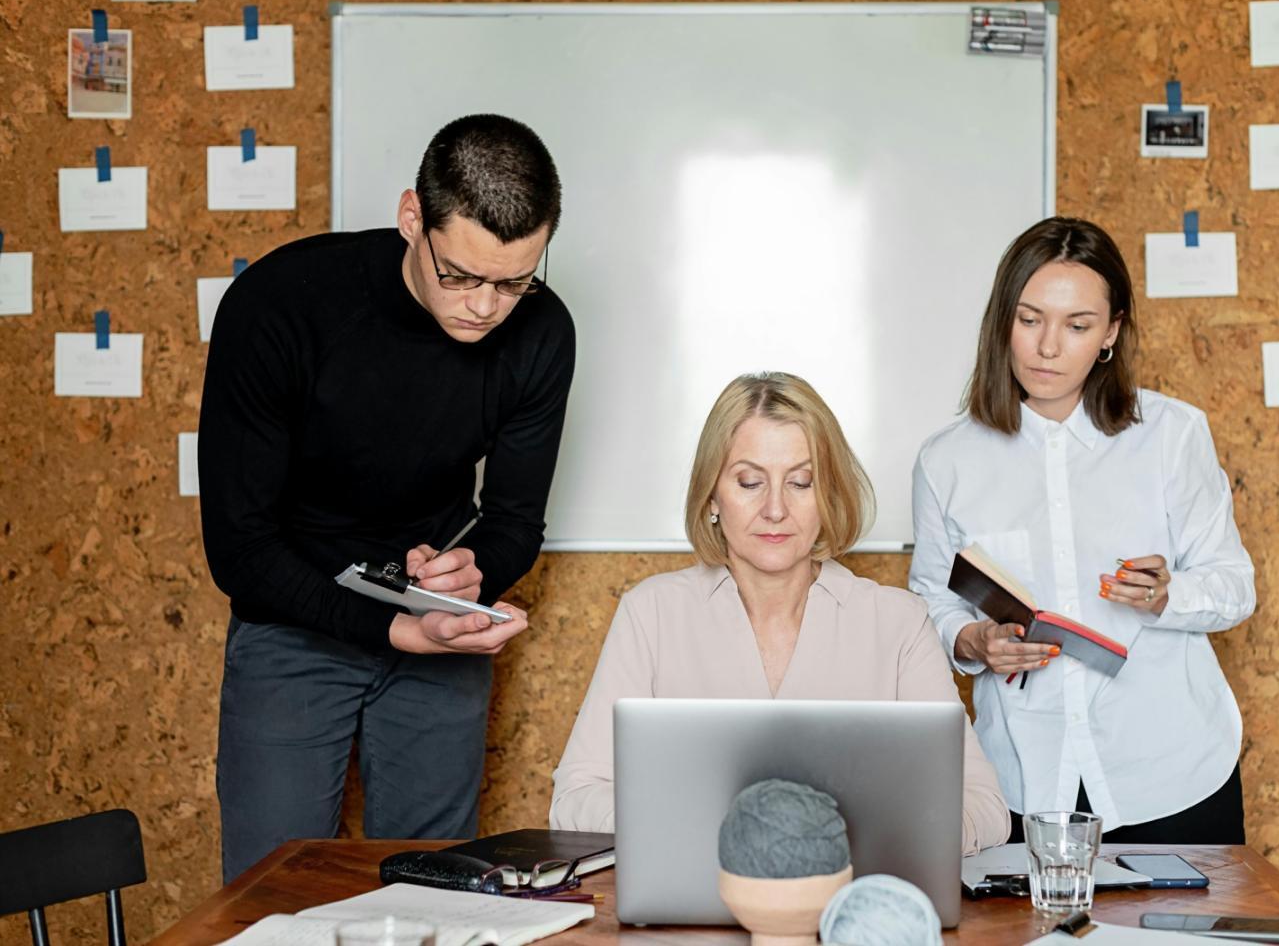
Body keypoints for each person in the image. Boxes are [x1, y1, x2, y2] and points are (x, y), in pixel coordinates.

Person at [199, 114, 575, 882]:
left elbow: (512, 520)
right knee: (274, 895)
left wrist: (471, 573)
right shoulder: (279, 304)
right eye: (461, 275)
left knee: (438, 893)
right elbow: (238, 546)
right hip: (292, 619)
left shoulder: (541, 332)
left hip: (434, 626)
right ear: (414, 218)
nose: (485, 305)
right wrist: (392, 630)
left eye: (514, 281)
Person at [550, 373, 1010, 854]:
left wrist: (859, 833)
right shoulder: (652, 613)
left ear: (828, 496)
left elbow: (984, 806)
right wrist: (720, 829)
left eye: (801, 482)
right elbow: (576, 797)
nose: (775, 509)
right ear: (712, 495)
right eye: (749, 482)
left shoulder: (898, 623)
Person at [908, 216, 1255, 844]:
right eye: (1029, 318)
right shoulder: (947, 460)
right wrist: (973, 641)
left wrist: (1167, 594)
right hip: (1023, 779)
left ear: (1111, 333)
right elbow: (931, 600)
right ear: (1002, 322)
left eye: (1077, 325)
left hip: (1170, 774)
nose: (1047, 347)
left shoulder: (1173, 437)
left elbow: (1234, 587)